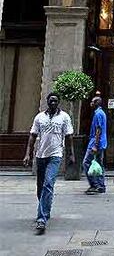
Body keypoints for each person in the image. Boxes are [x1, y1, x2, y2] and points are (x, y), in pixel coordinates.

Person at [23, 92, 74, 234]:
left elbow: (69, 136)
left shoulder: (64, 117)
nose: (53, 103)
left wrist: (71, 154)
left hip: (55, 155)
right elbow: (32, 136)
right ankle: (45, 207)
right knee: (41, 187)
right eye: (51, 101)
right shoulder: (39, 117)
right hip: (40, 155)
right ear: (47, 102)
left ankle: (41, 219)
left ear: (59, 102)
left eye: (55, 101)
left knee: (48, 183)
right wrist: (28, 154)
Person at [83, 96, 107, 194]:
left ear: (97, 103)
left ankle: (94, 184)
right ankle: (100, 185)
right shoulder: (101, 113)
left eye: (92, 102)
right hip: (101, 142)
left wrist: (95, 145)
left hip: (96, 142)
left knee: (86, 162)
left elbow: (98, 130)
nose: (91, 103)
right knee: (98, 164)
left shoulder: (98, 114)